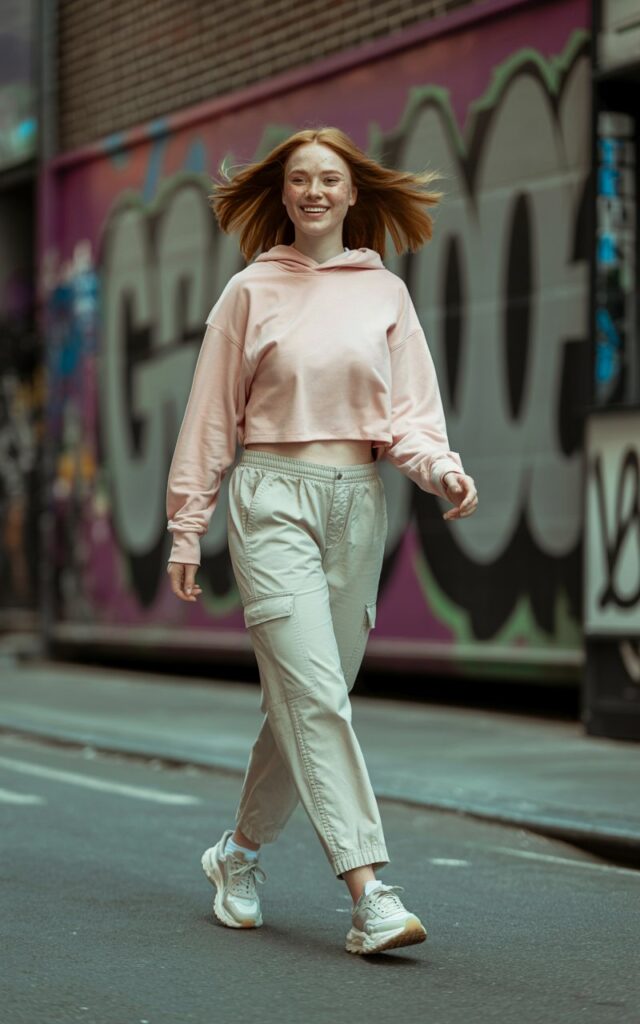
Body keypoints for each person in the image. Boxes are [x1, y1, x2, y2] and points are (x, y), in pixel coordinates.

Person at [165, 126, 479, 956]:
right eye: (298, 178)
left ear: (350, 194)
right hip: (270, 501)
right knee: (317, 698)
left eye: (327, 179)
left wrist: (442, 470)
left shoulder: (385, 294)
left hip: (357, 505)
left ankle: (237, 855)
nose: (312, 191)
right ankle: (370, 892)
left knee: (304, 701)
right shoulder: (249, 291)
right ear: (282, 194)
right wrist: (187, 527)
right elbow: (208, 418)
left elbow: (409, 414)